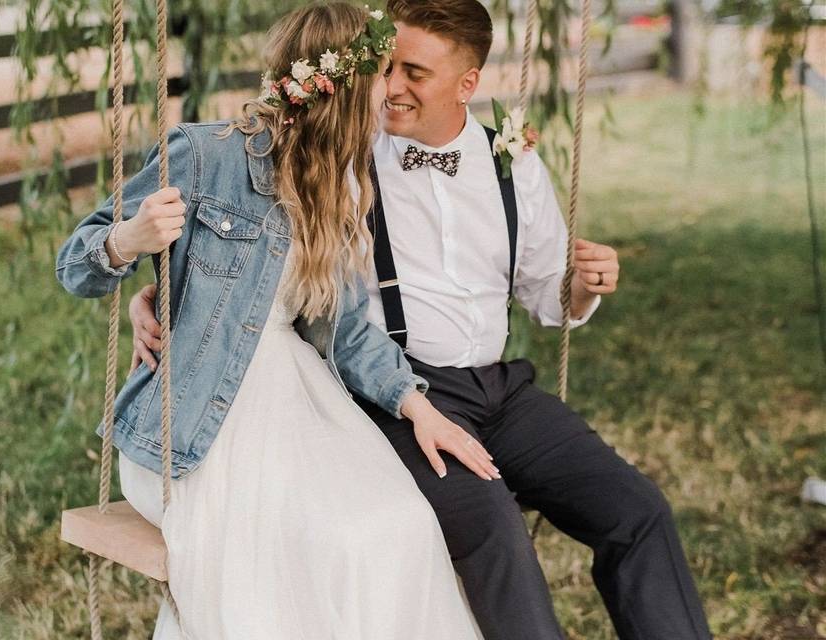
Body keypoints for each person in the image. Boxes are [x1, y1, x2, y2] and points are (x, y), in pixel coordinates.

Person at [129, 1, 715, 639]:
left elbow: (551, 298)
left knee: (638, 510)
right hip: (396, 389)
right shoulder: (346, 153)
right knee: (494, 529)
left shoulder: (512, 164)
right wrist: (165, 295)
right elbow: (264, 245)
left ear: (468, 84)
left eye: (414, 72)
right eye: (388, 68)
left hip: (501, 390)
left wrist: (582, 286)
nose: (393, 88)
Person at [56, 4, 492, 639]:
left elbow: (343, 328)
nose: (391, 91)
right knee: (287, 540)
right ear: (341, 90)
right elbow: (76, 264)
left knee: (394, 522)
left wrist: (417, 407)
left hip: (299, 399)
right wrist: (130, 238)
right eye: (379, 76)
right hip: (199, 417)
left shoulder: (336, 184)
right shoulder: (206, 156)